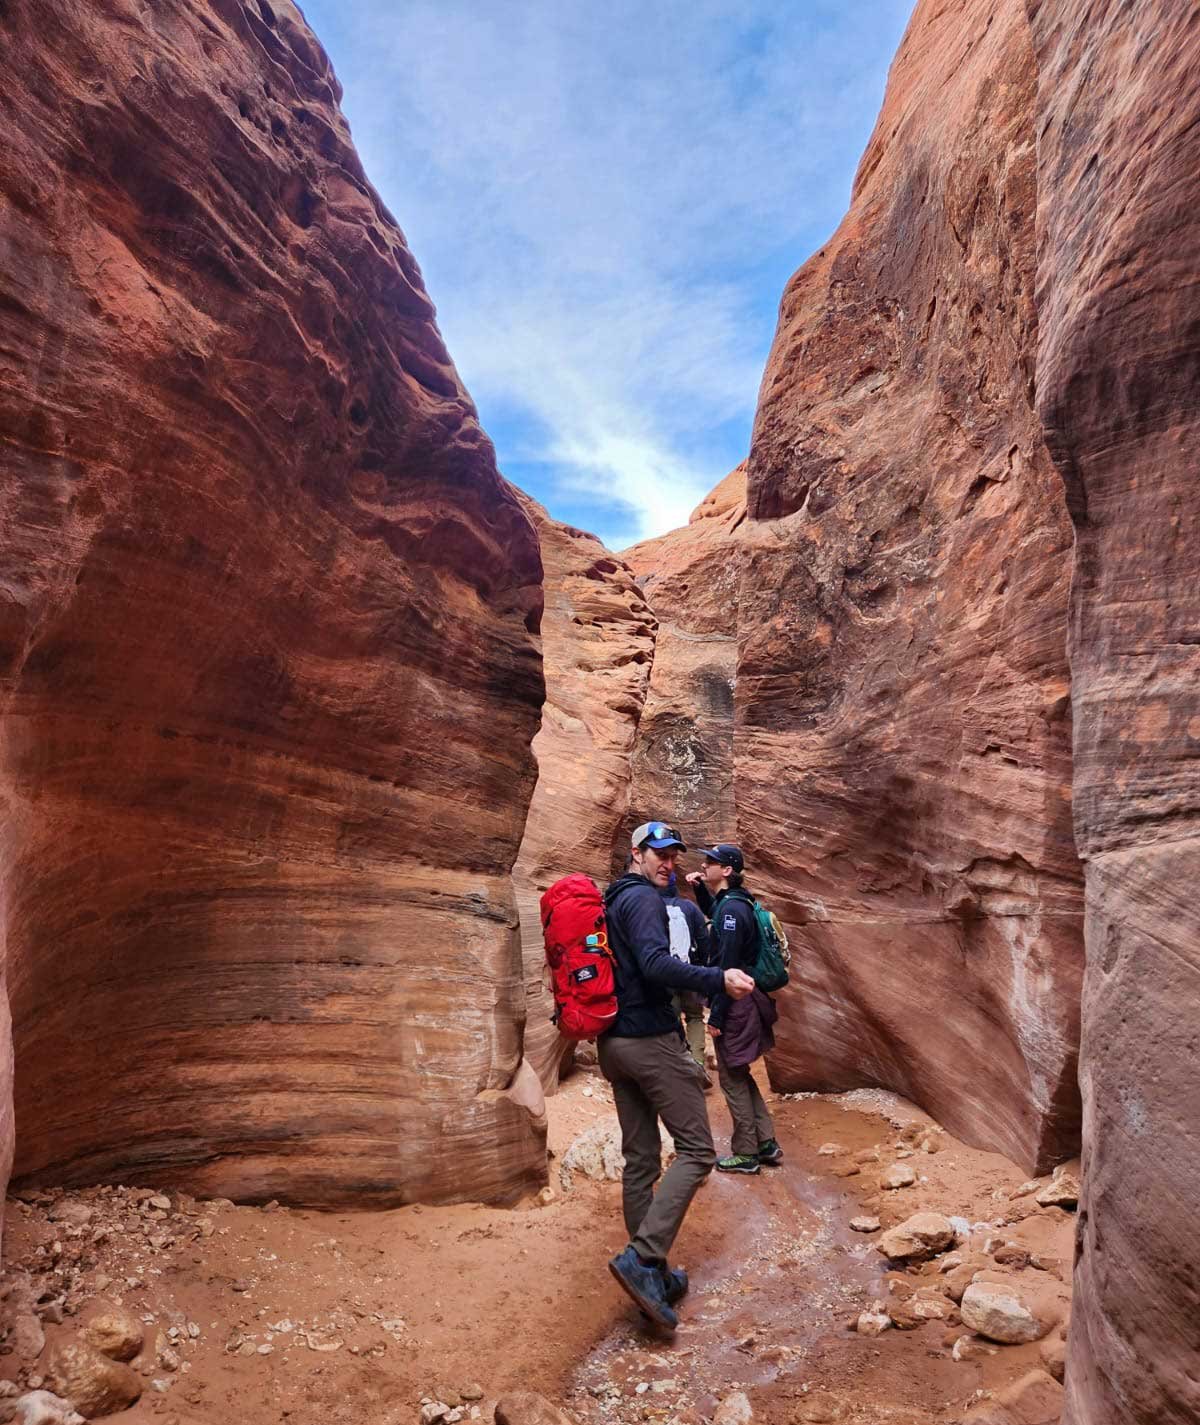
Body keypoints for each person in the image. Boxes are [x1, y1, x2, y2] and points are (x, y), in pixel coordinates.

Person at [603, 821, 756, 1329]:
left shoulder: (612, 898)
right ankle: (643, 1259)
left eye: (672, 856)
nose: (668, 864)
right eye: (659, 854)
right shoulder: (644, 899)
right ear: (637, 853)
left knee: (641, 1159)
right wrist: (718, 978)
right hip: (648, 1040)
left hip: (613, 1043)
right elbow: (654, 963)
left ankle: (653, 1274)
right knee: (696, 1150)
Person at [687, 844, 783, 1175]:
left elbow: (727, 966)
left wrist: (716, 1015)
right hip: (745, 999)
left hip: (736, 1003)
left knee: (730, 1077)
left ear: (727, 870)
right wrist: (700, 890)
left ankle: (746, 1153)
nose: (705, 865)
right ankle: (765, 1142)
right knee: (739, 1073)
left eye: (711, 862)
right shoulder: (737, 902)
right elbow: (717, 915)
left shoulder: (731, 911)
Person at [661, 871, 712, 1075]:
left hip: (665, 975)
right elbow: (704, 940)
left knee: (669, 1020)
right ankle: (697, 1063)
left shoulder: (650, 907)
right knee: (695, 1017)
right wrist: (703, 967)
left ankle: (677, 1067)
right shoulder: (689, 907)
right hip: (691, 972)